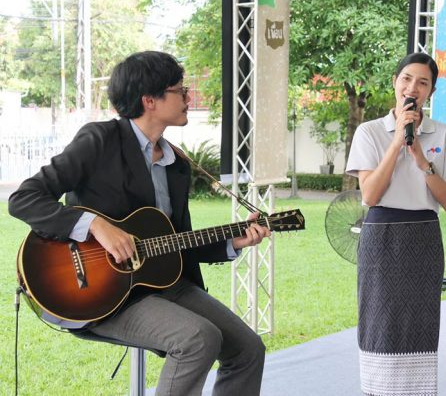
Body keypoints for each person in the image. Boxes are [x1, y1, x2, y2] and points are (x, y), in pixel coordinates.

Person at [9, 50, 270, 396]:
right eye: (180, 90)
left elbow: (176, 241)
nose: (188, 98)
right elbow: (24, 198)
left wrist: (232, 243)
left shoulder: (177, 165)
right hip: (99, 292)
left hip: (162, 284)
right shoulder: (99, 141)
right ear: (150, 100)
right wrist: (95, 225)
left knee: (248, 349)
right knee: (197, 339)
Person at [345, 52, 446, 396]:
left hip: (424, 239)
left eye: (423, 82)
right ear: (395, 83)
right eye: (406, 79)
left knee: (420, 323)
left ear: (431, 91)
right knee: (380, 323)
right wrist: (397, 141)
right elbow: (370, 194)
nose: (412, 87)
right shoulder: (369, 132)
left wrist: (421, 161)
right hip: (380, 238)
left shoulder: (445, 135)